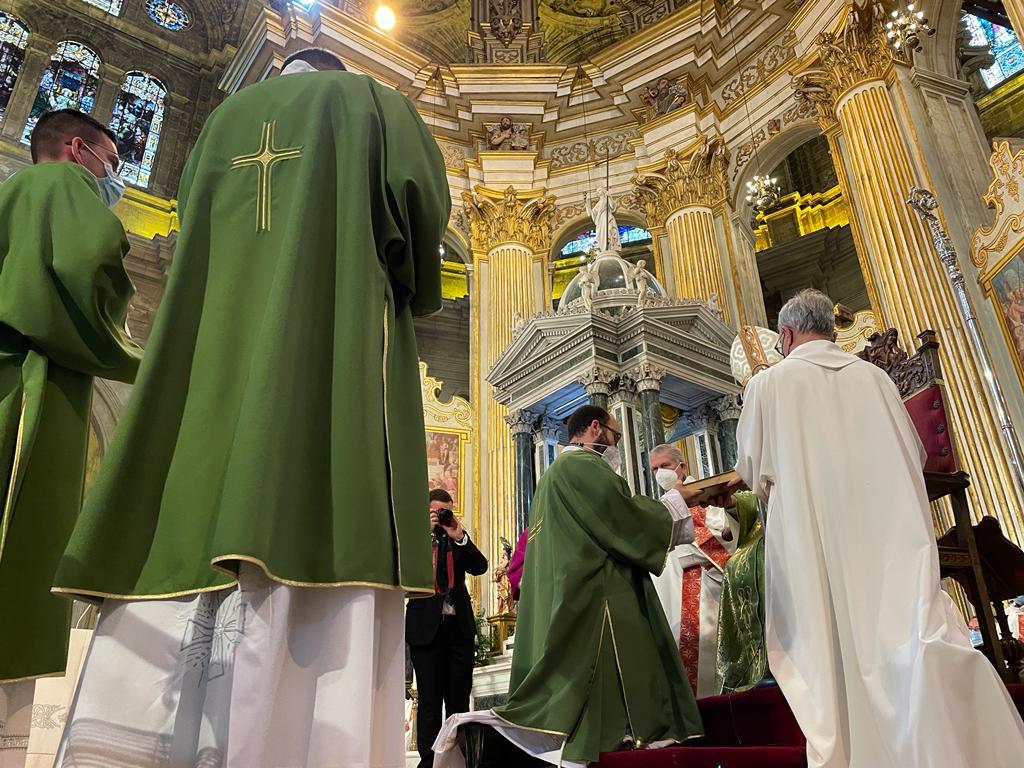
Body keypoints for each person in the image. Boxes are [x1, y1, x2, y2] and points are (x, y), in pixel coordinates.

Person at [52, 47, 450, 767]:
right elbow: (419, 223)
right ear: (333, 68)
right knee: (312, 527)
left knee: (190, 504)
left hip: (214, 362)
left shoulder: (220, 124)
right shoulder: (370, 104)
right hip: (328, 365)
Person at [732, 288, 1024, 768]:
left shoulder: (769, 384)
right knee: (905, 624)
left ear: (785, 334)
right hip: (889, 529)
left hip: (815, 535)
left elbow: (751, 468)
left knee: (825, 634)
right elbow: (917, 454)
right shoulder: (877, 379)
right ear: (830, 328)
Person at [433, 405, 704, 767]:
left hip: (570, 594)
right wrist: (675, 501)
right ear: (595, 428)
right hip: (597, 594)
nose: (616, 446)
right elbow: (626, 520)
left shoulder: (550, 476)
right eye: (616, 436)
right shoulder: (583, 467)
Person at [0, 109, 140, 766]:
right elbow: (90, 264)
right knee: (16, 561)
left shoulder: (7, 194)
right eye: (113, 163)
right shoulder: (62, 188)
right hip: (30, 388)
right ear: (78, 150)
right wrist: (138, 351)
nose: (114, 179)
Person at [406, 489, 488, 768]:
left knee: (459, 701)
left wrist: (460, 536)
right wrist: (424, 533)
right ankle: (430, 762)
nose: (441, 516)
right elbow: (404, 569)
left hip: (459, 631)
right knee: (429, 701)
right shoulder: (416, 541)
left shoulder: (457, 540)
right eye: (436, 512)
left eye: (446, 511)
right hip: (425, 630)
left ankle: (458, 760)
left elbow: (481, 567)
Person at [649, 443, 737, 697]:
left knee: (705, 651)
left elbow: (726, 534)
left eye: (664, 466)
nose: (659, 473)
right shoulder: (662, 505)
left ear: (681, 466)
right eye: (654, 469)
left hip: (706, 587)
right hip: (671, 591)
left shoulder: (705, 494)